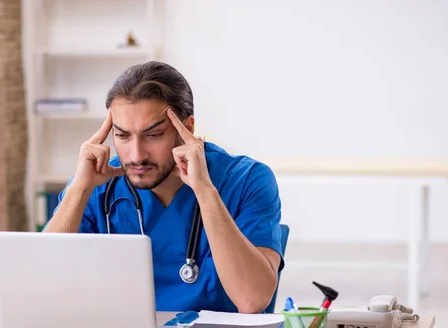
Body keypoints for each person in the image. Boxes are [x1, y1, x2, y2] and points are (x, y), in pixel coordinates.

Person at [44, 61, 284, 314]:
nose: (136, 155)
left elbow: (252, 300)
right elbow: (41, 285)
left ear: (187, 128)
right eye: (122, 136)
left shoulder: (246, 179)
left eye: (153, 135)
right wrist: (78, 190)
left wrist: (204, 191)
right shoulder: (94, 182)